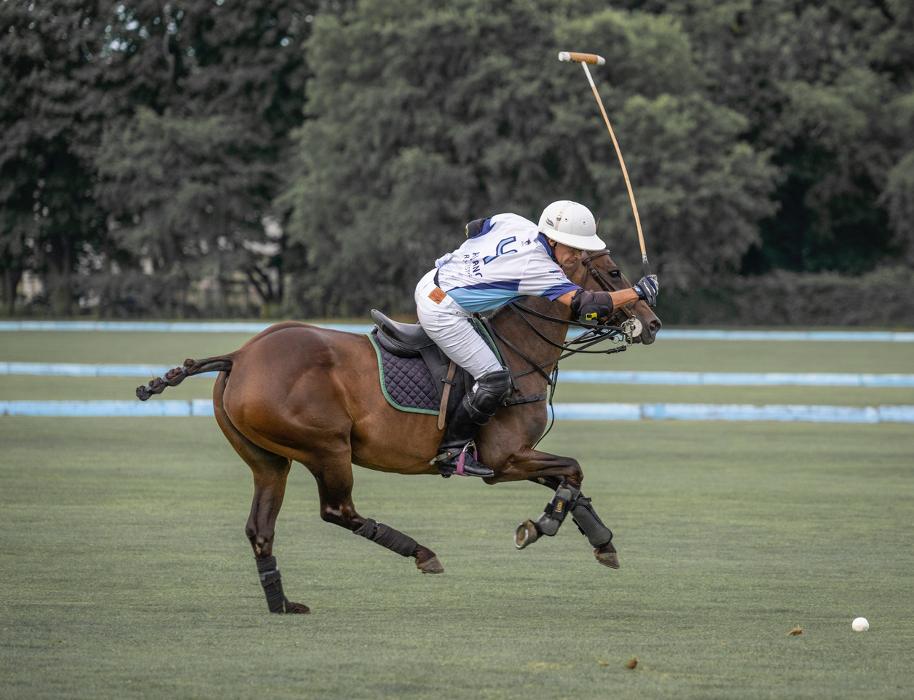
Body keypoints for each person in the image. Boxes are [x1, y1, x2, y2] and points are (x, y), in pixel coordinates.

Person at [415, 200, 658, 478]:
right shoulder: (540, 270)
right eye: (572, 247)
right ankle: (451, 453)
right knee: (494, 378)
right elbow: (586, 304)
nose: (577, 256)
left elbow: (475, 227)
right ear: (552, 240)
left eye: (581, 249)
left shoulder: (514, 221)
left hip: (432, 280)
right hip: (443, 311)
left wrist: (480, 264)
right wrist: (637, 292)